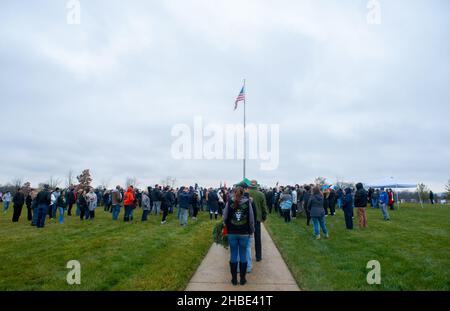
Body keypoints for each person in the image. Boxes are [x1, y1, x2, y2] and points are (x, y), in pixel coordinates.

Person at [223, 186, 255, 286]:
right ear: (243, 193)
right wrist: (252, 230)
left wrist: (226, 227)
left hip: (232, 232)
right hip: (244, 233)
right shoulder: (247, 202)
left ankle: (233, 280)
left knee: (233, 254)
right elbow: (251, 219)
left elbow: (225, 217)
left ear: (234, 192)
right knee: (243, 255)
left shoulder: (229, 202)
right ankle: (242, 279)